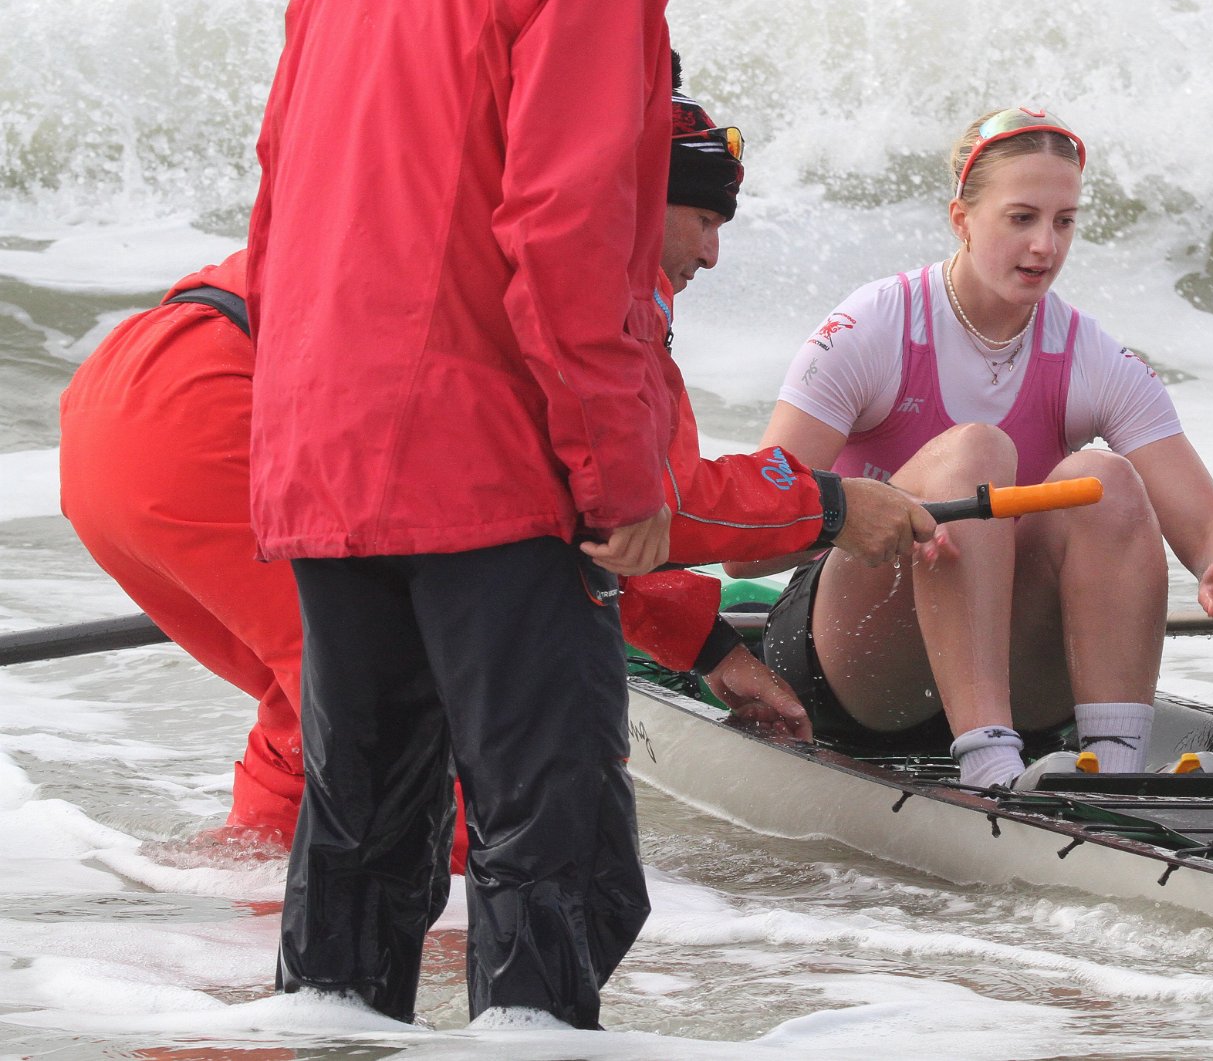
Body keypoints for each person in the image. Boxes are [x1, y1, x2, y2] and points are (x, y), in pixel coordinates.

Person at [242, 0, 905, 1029]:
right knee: (566, 870)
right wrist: (617, 479)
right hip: (486, 466)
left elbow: (280, 199)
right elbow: (570, 227)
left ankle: (319, 1036)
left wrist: (299, 422)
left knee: (361, 848)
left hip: (324, 445)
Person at [56, 86, 924, 846]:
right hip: (219, 417)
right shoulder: (594, 269)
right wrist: (834, 508)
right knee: (417, 750)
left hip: (123, 404)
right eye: (704, 218)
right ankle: (404, 1004)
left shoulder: (504, 220)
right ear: (637, 201)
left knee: (326, 707)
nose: (711, 255)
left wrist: (704, 645)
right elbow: (652, 495)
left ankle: (224, 923)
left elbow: (558, 510)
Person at [733, 106, 1213, 790]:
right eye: (1021, 218)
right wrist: (861, 514)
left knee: (1102, 479)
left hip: (1011, 670)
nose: (1045, 246)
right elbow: (743, 543)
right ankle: (990, 766)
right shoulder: (873, 327)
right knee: (975, 455)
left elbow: (1207, 524)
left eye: (1064, 221)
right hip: (856, 670)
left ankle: (1113, 769)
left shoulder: (1088, 355)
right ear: (961, 217)